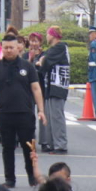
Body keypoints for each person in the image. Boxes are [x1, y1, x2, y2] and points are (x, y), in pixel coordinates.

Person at [0, 33, 47, 188]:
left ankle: (32, 177)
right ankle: (10, 179)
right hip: (4, 113)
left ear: (18, 48)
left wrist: (41, 109)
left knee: (29, 147)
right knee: (7, 148)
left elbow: (36, 88)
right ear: (2, 48)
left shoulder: (27, 66)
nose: (9, 50)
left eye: (11, 47)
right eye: (5, 48)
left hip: (25, 113)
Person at [36, 27, 70, 155]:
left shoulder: (60, 47)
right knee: (50, 116)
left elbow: (46, 60)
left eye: (48, 34)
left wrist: (42, 60)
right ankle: (52, 143)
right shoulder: (55, 49)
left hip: (58, 85)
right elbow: (43, 60)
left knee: (57, 116)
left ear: (53, 35)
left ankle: (60, 145)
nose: (46, 36)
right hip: (51, 85)